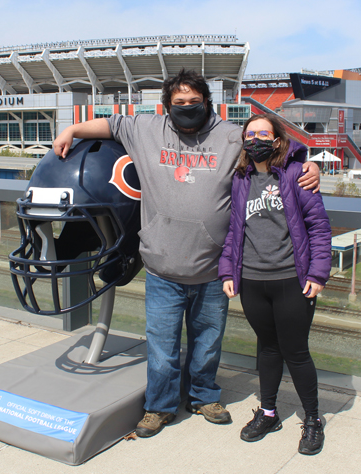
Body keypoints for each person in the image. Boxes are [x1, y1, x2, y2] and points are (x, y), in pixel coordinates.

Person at [52, 70, 320, 438]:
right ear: (167, 106)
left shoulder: (229, 135)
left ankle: (204, 396)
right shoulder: (145, 129)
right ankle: (159, 407)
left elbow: (274, 144)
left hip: (213, 269)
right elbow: (109, 124)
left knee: (207, 343)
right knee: (161, 346)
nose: (187, 109)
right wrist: (71, 130)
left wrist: (311, 164)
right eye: (179, 104)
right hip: (162, 266)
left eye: (195, 102)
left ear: (207, 102)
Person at [218, 113, 331, 455]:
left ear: (278, 140)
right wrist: (227, 272)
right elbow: (234, 231)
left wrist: (317, 274)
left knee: (295, 352)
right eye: (249, 134)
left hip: (291, 281)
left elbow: (319, 228)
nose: (255, 140)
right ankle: (268, 412)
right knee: (266, 348)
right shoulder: (240, 179)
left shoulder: (297, 175)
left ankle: (312, 419)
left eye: (262, 134)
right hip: (252, 280)